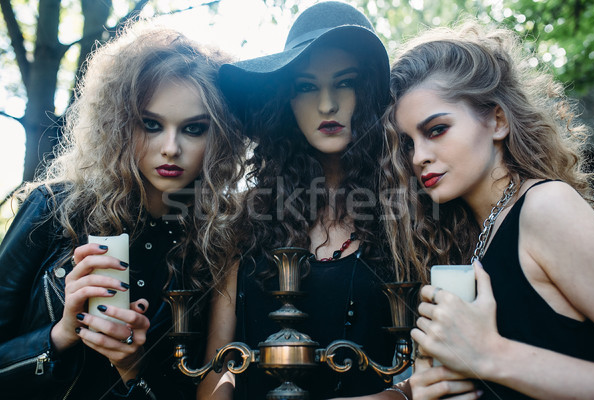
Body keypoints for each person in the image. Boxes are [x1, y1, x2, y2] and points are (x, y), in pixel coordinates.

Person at [0, 21, 244, 399]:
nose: (170, 148)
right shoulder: (52, 209)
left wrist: (134, 370)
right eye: (150, 124)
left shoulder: (217, 248)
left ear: (222, 137)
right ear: (117, 124)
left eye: (194, 129)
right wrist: (60, 335)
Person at [197, 2, 416, 399]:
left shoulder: (407, 216)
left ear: (369, 94)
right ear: (287, 101)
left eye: (345, 83)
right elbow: (216, 369)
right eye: (306, 86)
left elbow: (435, 372)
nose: (327, 104)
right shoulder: (245, 220)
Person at [381, 20, 594, 400]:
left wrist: (491, 355)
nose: (419, 157)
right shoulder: (474, 236)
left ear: (497, 120)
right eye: (407, 143)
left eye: (436, 130)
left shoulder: (546, 207)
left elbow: (493, 358)